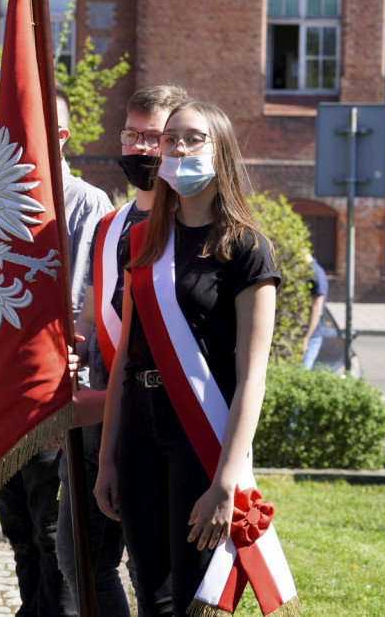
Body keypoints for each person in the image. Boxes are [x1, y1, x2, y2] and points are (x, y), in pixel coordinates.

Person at [94, 100, 281, 615]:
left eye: (192, 138)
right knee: (150, 595)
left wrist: (226, 480)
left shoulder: (247, 249)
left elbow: (253, 377)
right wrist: (108, 458)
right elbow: (124, 365)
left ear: (220, 151)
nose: (175, 148)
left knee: (194, 598)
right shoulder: (141, 242)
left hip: (201, 438)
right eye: (170, 137)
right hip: (137, 432)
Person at [0, 85, 112, 617]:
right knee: (19, 536)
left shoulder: (88, 205)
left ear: (62, 136)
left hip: (52, 404)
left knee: (54, 540)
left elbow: (92, 309)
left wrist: (75, 403)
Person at [61, 84, 188, 615]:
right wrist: (72, 352)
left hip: (155, 419)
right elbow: (91, 316)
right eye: (131, 135)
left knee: (149, 571)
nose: (139, 149)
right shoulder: (108, 225)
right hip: (96, 415)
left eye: (152, 137)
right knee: (79, 560)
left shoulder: (190, 226)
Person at [302, 252, 328, 369]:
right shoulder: (308, 271)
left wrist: (306, 338)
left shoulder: (315, 273)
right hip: (307, 335)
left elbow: (317, 309)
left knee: (301, 374)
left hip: (311, 336)